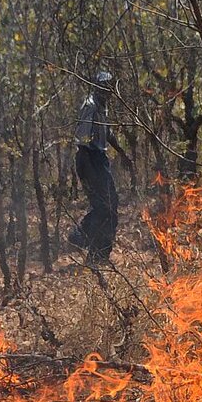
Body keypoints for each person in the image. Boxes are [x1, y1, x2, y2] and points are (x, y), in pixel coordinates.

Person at [67, 71, 124, 265]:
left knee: (110, 206)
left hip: (99, 158)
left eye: (109, 87)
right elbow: (82, 138)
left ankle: (98, 253)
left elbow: (106, 132)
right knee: (104, 206)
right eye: (103, 86)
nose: (107, 91)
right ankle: (81, 236)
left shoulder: (102, 107)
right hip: (89, 158)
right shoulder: (90, 106)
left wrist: (122, 153)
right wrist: (90, 166)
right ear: (96, 86)